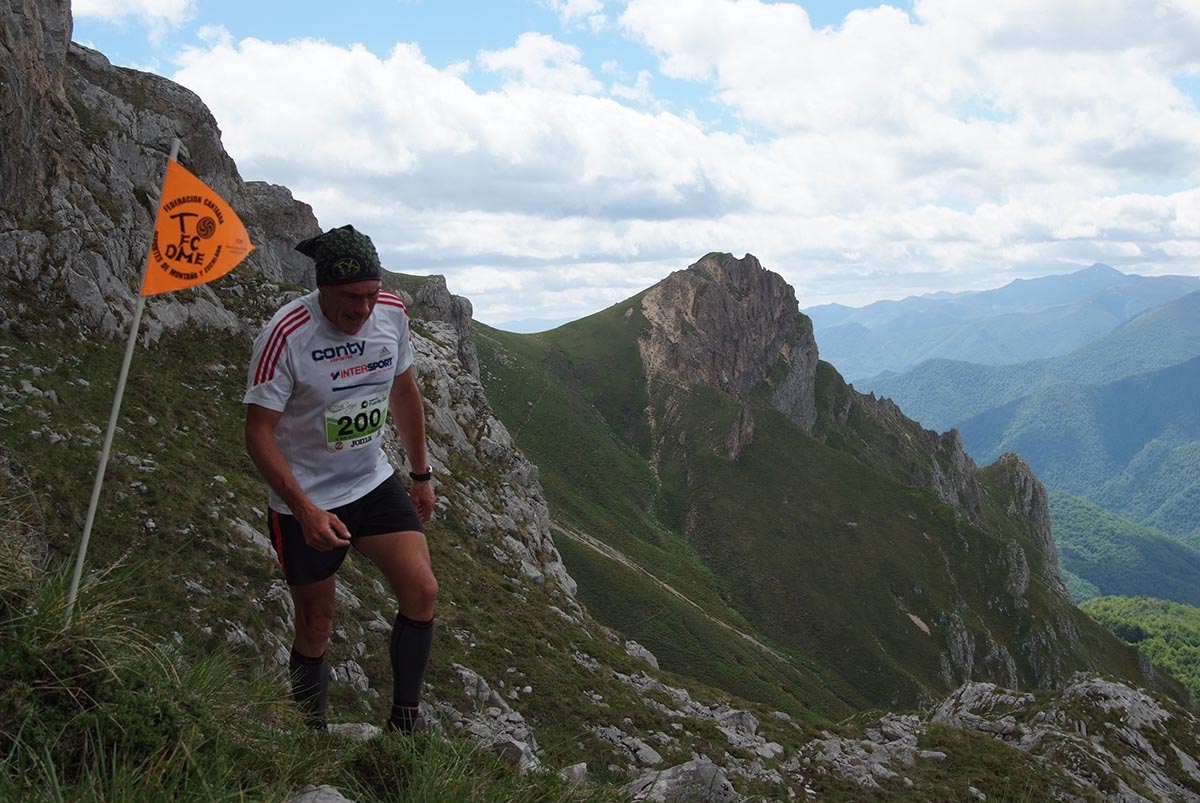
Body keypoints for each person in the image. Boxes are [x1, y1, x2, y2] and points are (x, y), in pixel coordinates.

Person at [243, 224, 437, 733]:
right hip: (305, 499)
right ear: (323, 287)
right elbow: (257, 433)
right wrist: (304, 510)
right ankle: (312, 742)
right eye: (351, 297)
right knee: (317, 623)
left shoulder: (391, 313)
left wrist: (421, 474)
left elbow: (403, 392)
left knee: (422, 591)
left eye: (371, 294)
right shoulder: (285, 334)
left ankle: (404, 727)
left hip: (370, 479)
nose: (363, 309)